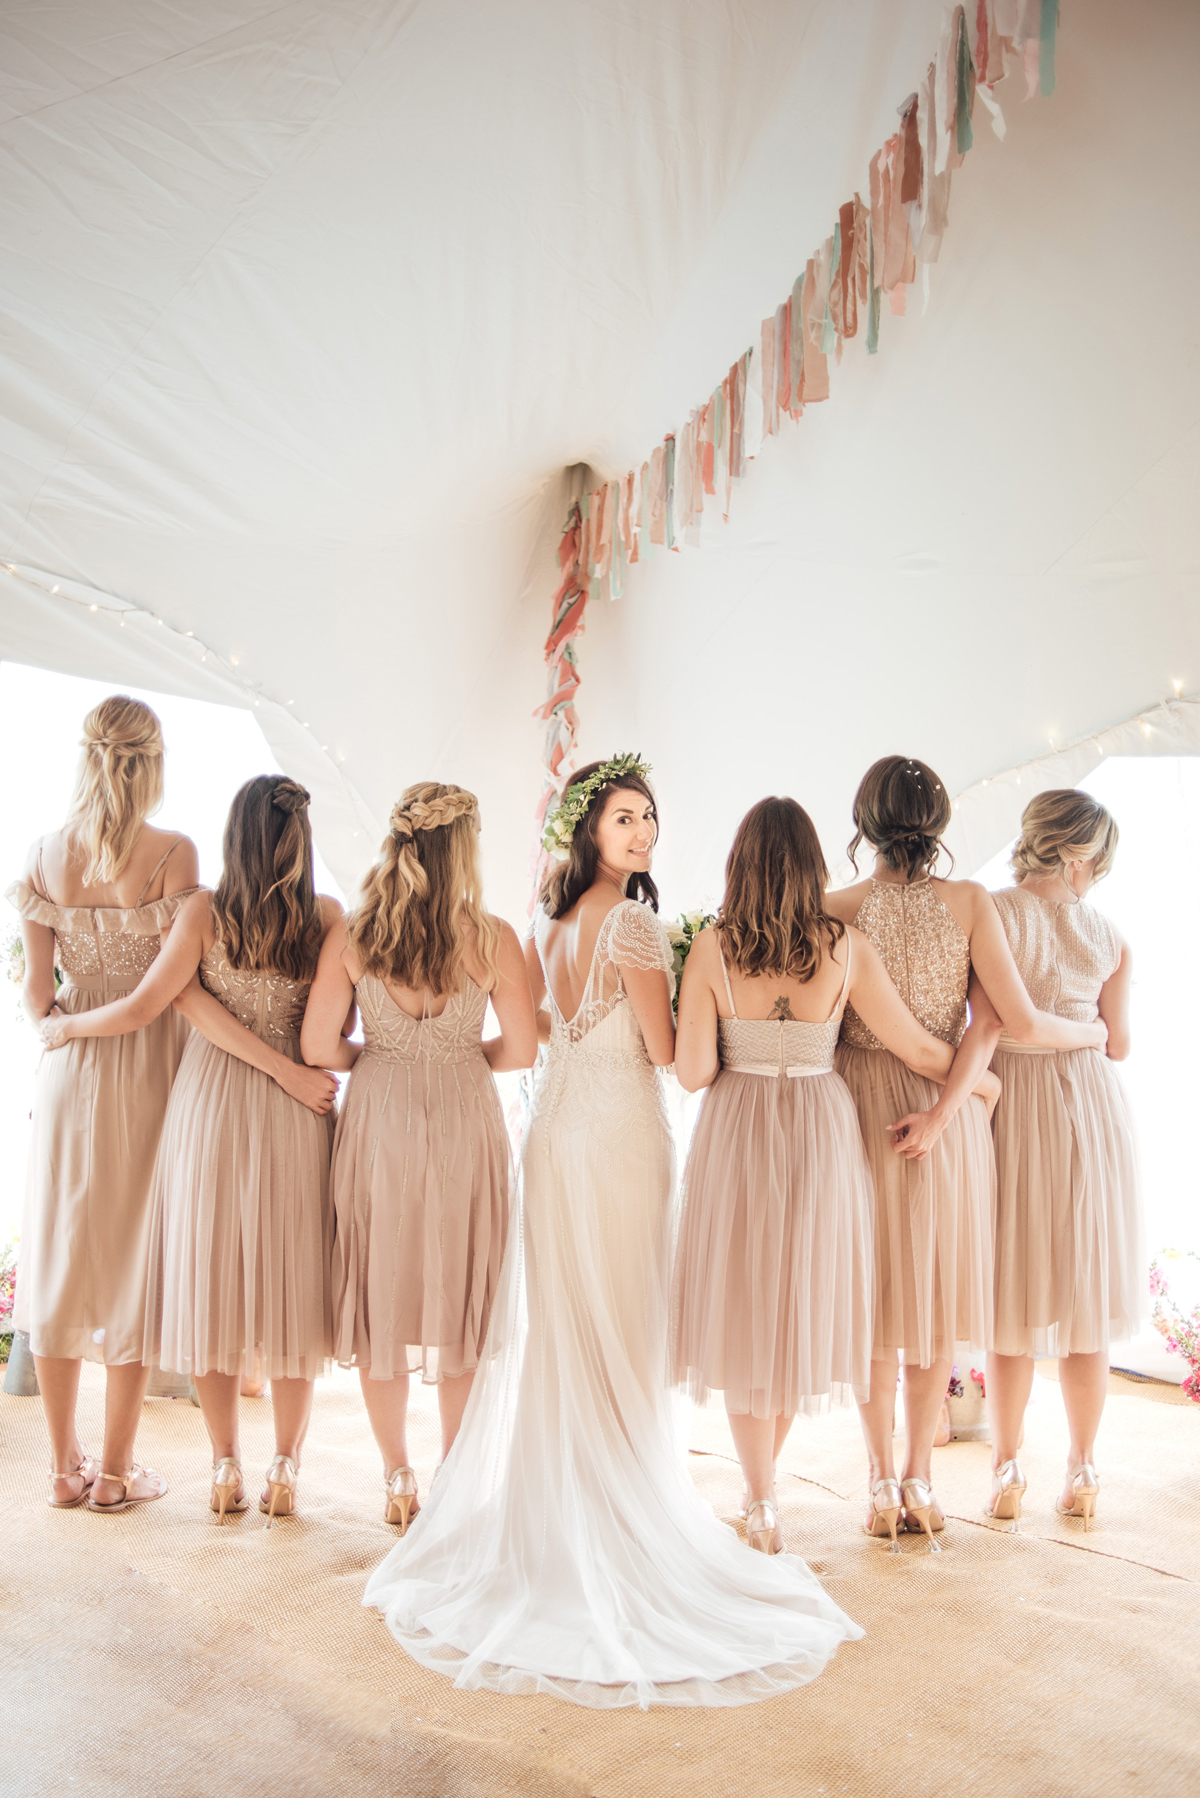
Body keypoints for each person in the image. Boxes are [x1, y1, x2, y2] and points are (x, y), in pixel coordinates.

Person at [364, 756, 862, 1710]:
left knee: (571, 1329)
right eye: (625, 820)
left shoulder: (548, 923)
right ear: (589, 831)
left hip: (555, 1135)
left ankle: (563, 1511)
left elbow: (547, 1036)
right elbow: (672, 1057)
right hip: (620, 1139)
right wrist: (700, 998)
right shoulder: (634, 923)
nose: (642, 835)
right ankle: (614, 1516)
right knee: (621, 1324)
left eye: (649, 819)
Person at [673, 796, 997, 1556]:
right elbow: (917, 1049)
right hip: (821, 1129)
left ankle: (760, 1502)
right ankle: (862, 1481)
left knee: (748, 1310)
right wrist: (976, 1085)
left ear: (738, 866)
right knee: (799, 1308)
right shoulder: (843, 946)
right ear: (814, 867)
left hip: (738, 1131)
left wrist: (742, 1043)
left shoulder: (712, 949)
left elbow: (691, 1073)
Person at [41, 775, 342, 1523]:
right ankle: (283, 1464)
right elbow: (327, 1037)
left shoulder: (205, 910)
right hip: (293, 1109)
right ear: (303, 841)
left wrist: (65, 1027)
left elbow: (162, 999)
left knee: (213, 1285)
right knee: (291, 1289)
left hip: (207, 1106)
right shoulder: (329, 916)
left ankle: (224, 1464)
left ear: (235, 837)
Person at [825, 756, 1109, 1548]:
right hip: (942, 1113)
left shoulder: (834, 906)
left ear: (863, 823)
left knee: (877, 1305)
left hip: (857, 1109)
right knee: (935, 1302)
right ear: (942, 825)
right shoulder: (972, 901)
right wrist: (959, 1106)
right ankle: (920, 1475)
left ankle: (881, 1479)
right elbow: (999, 1020)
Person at [301, 783, 535, 1528]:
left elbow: (315, 1048)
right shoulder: (492, 936)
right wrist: (460, 1052)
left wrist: (379, 1053)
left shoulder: (355, 934)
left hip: (379, 1118)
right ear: (463, 846)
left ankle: (397, 1477)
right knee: (460, 1294)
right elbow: (524, 1049)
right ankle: (455, 1478)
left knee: (383, 1295)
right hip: (465, 1117)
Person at [7, 695, 199, 1512]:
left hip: (69, 1072)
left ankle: (62, 1467)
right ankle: (117, 1472)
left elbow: (33, 993)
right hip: (146, 1070)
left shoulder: (46, 856)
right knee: (132, 1259)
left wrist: (62, 1028)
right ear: (150, 764)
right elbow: (160, 998)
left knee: (59, 1254)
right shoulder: (172, 855)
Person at [975, 789, 1140, 1532]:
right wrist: (1081, 1030)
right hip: (1092, 1110)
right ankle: (1082, 1467)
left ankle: (1007, 1464)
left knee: (1010, 1295)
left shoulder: (994, 913)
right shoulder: (1111, 937)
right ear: (1078, 855)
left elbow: (985, 1018)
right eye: (1098, 860)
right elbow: (1119, 1042)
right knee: (1084, 1296)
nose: (1098, 875)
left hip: (1014, 1101)